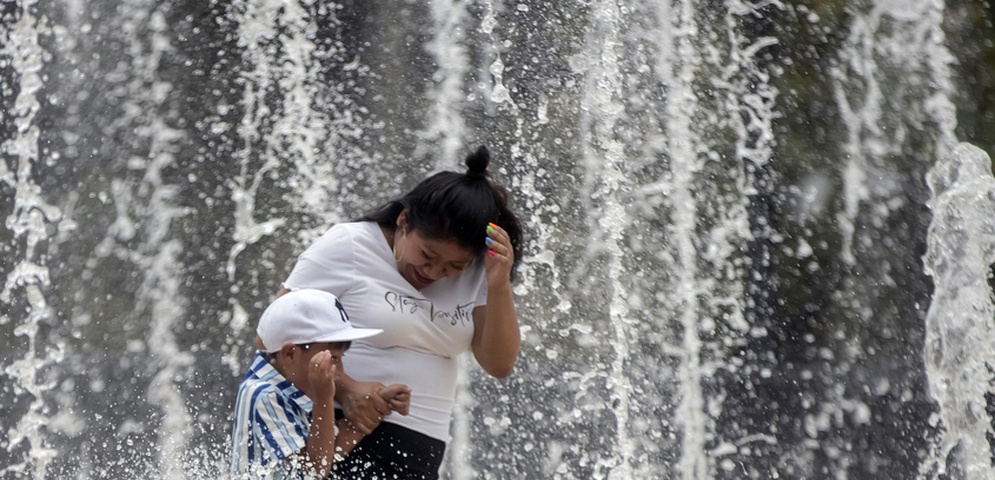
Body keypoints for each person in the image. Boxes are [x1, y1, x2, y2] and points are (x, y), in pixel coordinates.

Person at [274, 145, 524, 478]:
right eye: (427, 255)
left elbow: (499, 364)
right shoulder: (350, 245)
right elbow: (274, 335)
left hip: (420, 456)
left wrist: (499, 285)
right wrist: (347, 389)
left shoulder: (482, 271)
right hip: (340, 435)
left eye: (453, 266)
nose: (434, 273)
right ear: (404, 221)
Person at [230, 289, 412, 479]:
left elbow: (330, 449)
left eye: (341, 358)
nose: (339, 371)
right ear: (290, 353)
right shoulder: (262, 394)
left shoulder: (295, 391)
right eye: (332, 358)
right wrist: (323, 398)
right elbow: (315, 470)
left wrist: (379, 405)